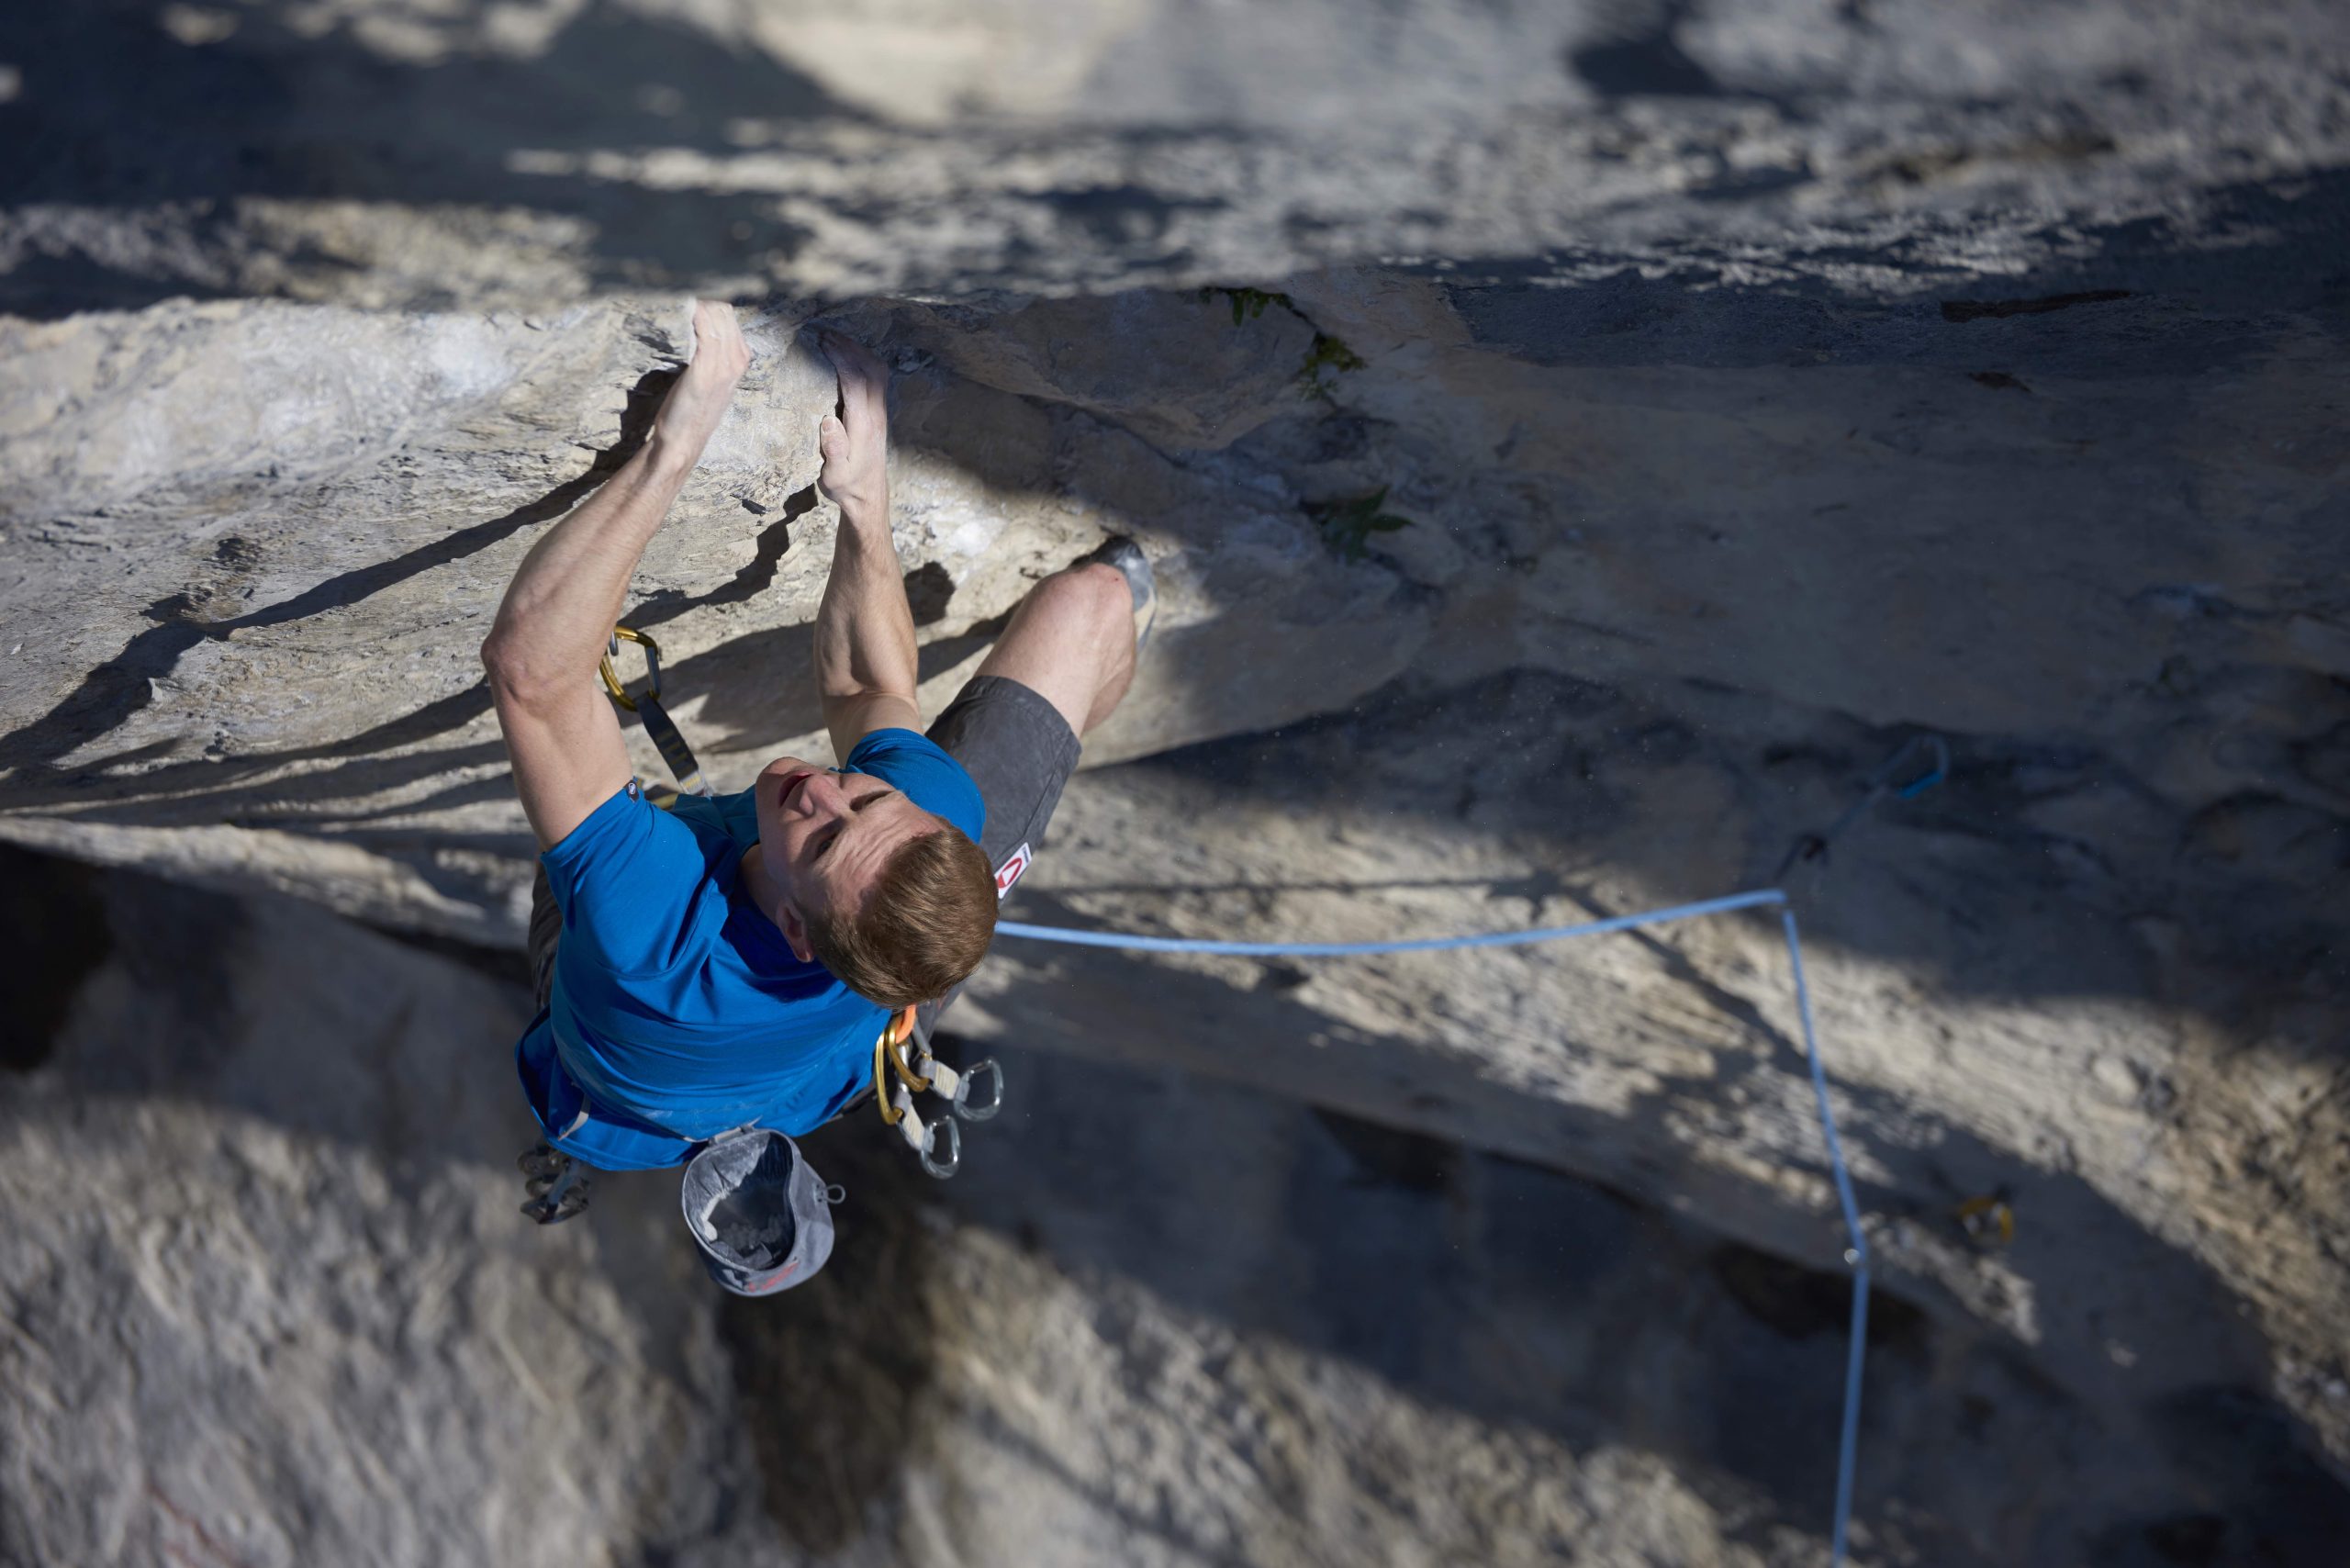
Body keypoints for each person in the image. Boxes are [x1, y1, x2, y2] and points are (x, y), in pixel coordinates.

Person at [481, 301, 1152, 1251]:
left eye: (825, 832)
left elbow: (533, 674)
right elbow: (867, 684)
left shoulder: (653, 943)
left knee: (598, 869)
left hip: (633, 1038)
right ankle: (1136, 605)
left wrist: (678, 445)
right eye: (866, 796)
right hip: (839, 1032)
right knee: (1093, 607)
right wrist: (866, 495)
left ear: (796, 928)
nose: (822, 787)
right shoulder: (925, 821)